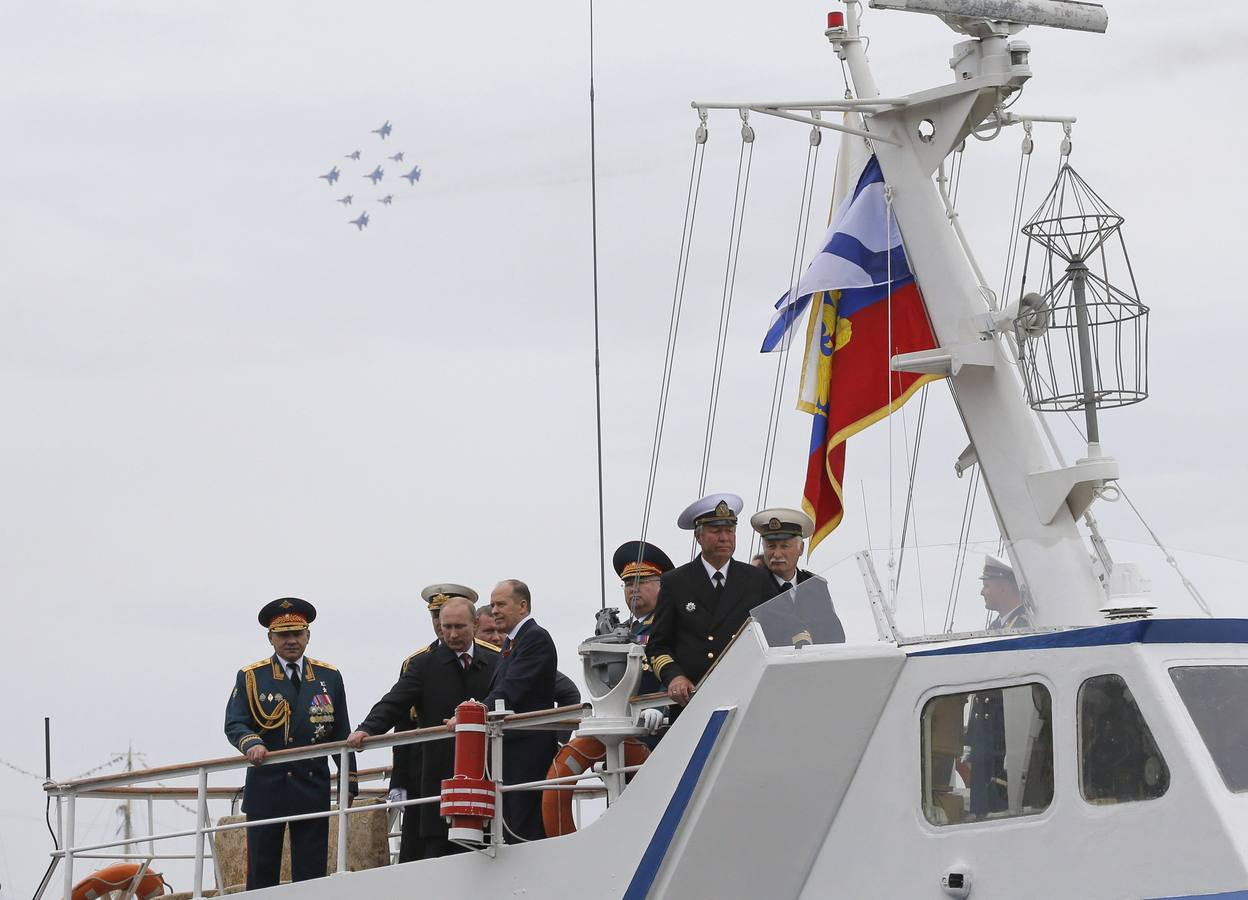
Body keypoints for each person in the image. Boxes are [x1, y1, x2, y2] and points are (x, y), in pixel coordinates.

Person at [347, 596, 498, 859]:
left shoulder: (496, 662)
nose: (451, 634)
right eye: (446, 627)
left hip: (488, 772)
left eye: (459, 627)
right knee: (437, 852)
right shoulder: (424, 665)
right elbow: (394, 702)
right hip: (438, 776)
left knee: (490, 848)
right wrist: (367, 728)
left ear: (475, 624)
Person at [224, 597, 357, 890]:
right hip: (267, 786)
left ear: (308, 635)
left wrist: (350, 782)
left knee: (311, 874)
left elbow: (340, 732)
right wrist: (251, 744)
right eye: (284, 635)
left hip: (311, 785)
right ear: (270, 638)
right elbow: (235, 722)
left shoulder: (328, 676)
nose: (291, 641)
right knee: (261, 872)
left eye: (297, 633)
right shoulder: (251, 677)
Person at [646, 493, 778, 707]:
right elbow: (658, 646)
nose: (725, 538)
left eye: (730, 531)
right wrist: (674, 677)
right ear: (698, 537)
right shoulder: (675, 582)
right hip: (694, 698)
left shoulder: (757, 579)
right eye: (716, 531)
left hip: (746, 693)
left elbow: (775, 633)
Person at [386, 582, 477, 860]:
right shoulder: (418, 663)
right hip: (423, 770)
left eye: (449, 619)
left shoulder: (489, 657)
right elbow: (401, 723)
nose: (442, 625)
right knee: (420, 849)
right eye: (436, 618)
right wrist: (398, 781)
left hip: (474, 769)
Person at [483, 579, 557, 842]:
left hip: (527, 751)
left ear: (523, 606)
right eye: (492, 605)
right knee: (510, 822)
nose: (494, 610)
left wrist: (475, 712)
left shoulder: (535, 638)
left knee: (524, 826)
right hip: (509, 753)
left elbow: (513, 688)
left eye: (501, 604)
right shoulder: (511, 643)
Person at [750, 507, 845, 646]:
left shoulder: (815, 586)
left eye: (784, 546)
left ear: (801, 549)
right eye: (771, 546)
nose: (777, 554)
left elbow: (835, 636)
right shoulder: (752, 586)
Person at [980, 555, 1032, 630]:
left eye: (986, 586)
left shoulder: (1025, 625)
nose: (982, 592)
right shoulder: (995, 626)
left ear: (1003, 589)